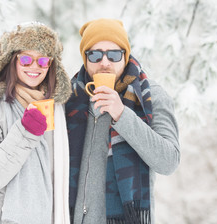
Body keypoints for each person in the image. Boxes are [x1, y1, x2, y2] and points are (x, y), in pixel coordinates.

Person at [65, 18, 180, 224]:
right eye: (95, 54)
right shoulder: (69, 99)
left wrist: (122, 115)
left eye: (114, 54)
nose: (105, 62)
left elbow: (168, 161)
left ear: (125, 56)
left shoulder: (150, 97)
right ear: (85, 58)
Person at [0, 22, 72, 224]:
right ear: (11, 62)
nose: (34, 66)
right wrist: (26, 132)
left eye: (43, 61)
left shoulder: (58, 112)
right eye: (26, 59)